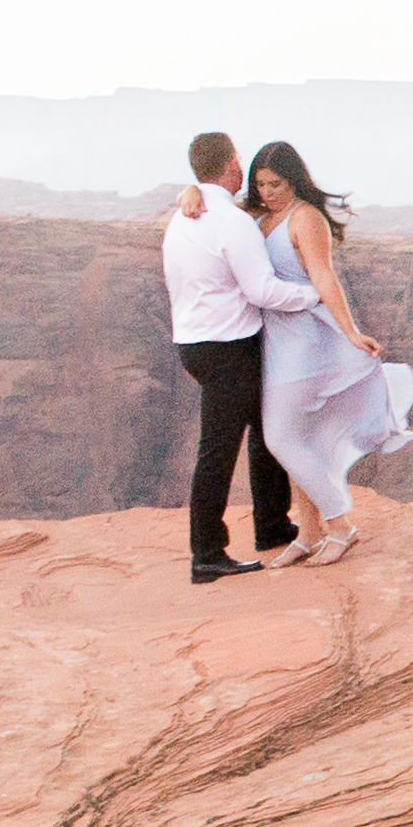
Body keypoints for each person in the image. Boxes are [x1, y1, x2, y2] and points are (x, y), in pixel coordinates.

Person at [234, 138, 413, 562]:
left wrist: (351, 332)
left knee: (279, 437)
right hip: (276, 343)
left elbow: (323, 275)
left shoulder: (305, 218)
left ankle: (340, 524)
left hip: (308, 344)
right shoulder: (260, 216)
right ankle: (309, 531)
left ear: (294, 179)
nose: (267, 191)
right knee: (300, 437)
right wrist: (187, 194)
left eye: (276, 183)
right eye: (260, 183)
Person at [163, 130, 293, 580]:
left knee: (266, 426)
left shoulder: (184, 216)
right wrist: (316, 296)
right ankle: (207, 554)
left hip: (194, 342)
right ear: (231, 165)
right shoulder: (229, 222)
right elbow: (262, 290)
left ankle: (274, 524)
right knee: (219, 449)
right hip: (229, 347)